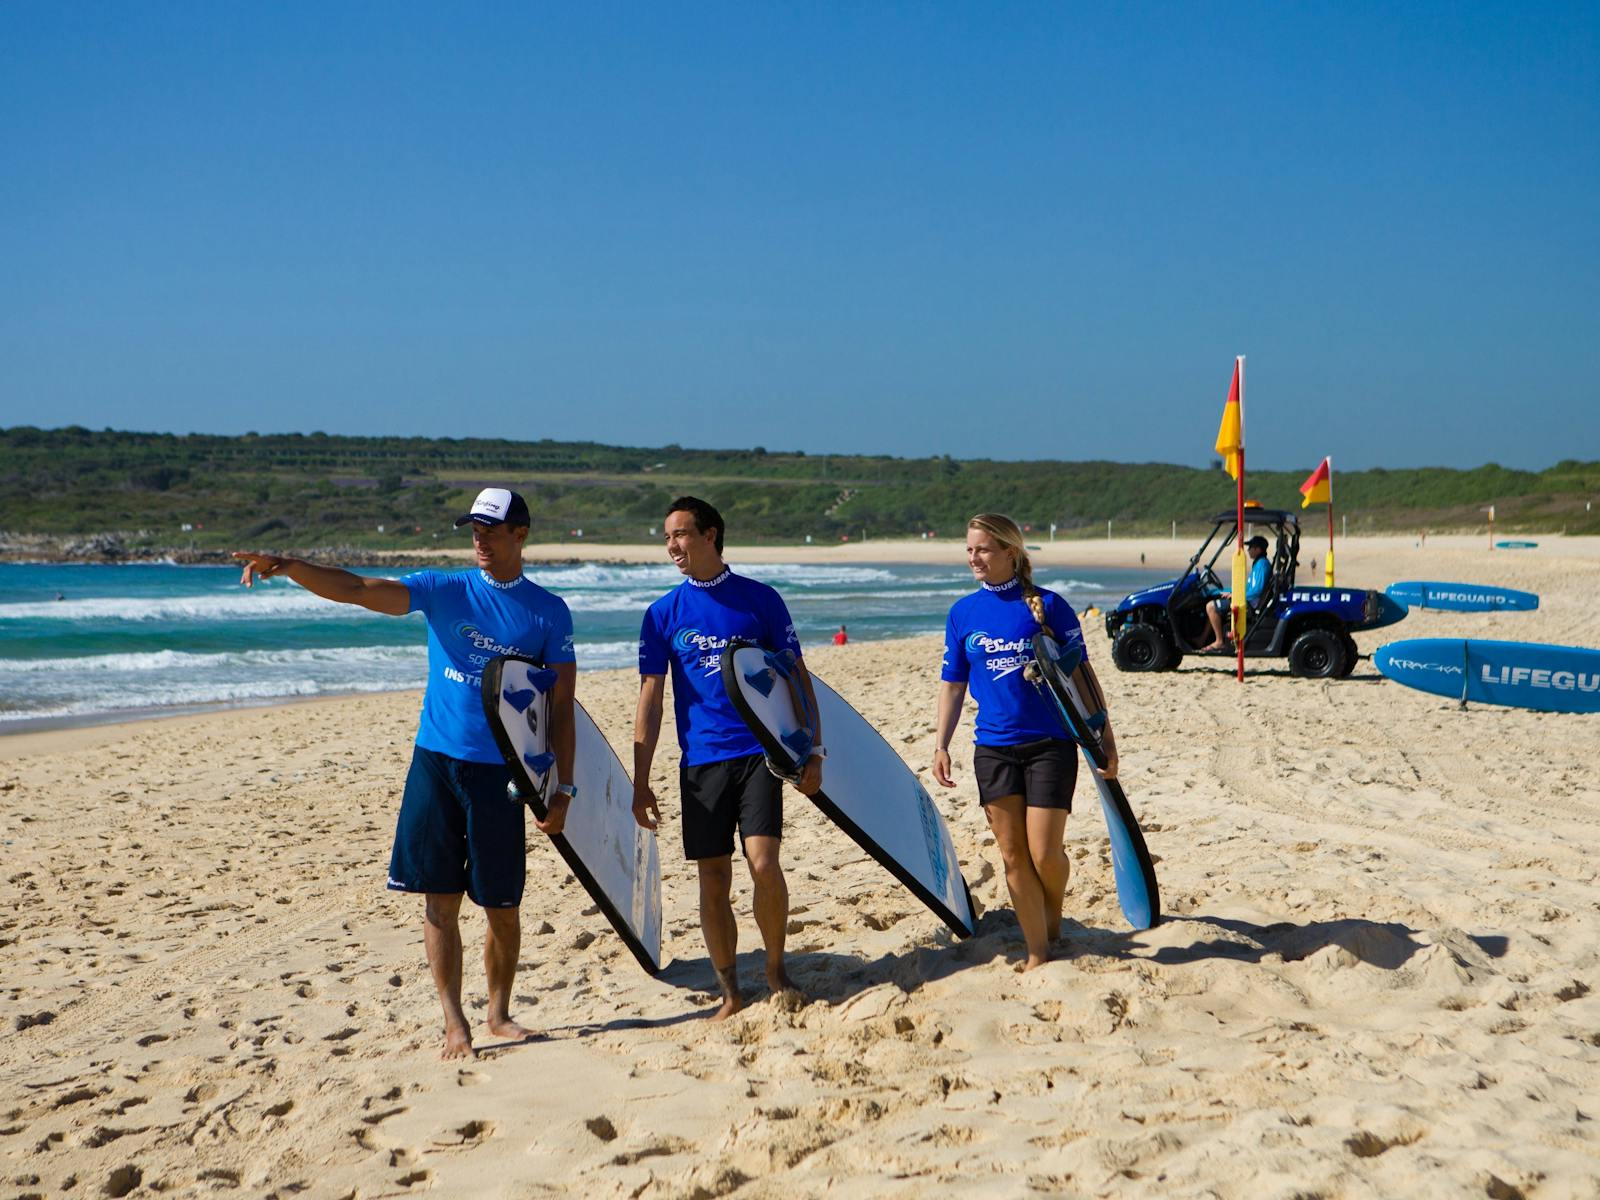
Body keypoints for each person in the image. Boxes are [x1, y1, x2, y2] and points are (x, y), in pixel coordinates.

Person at [232, 488, 577, 1060]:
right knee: (438, 900)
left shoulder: (547, 612)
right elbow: (359, 589)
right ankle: (454, 1022)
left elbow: (562, 707)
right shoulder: (445, 590)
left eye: (491, 529)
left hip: (502, 772)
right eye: (474, 528)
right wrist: (291, 567)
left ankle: (498, 1012)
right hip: (436, 763)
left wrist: (561, 789)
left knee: (502, 905)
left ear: (521, 534)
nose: (480, 538)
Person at [632, 496, 823, 1020]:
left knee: (764, 863)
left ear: (710, 534)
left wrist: (814, 748)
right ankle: (729, 989)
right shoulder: (662, 615)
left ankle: (776, 968)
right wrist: (640, 779)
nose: (673, 546)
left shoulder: (760, 600)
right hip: (701, 762)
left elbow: (796, 677)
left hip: (759, 754)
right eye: (667, 537)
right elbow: (650, 699)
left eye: (682, 535)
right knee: (713, 878)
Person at [932, 513, 1119, 971]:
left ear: (1009, 553)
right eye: (969, 550)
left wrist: (1105, 737)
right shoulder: (963, 613)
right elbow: (953, 684)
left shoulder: (1051, 606)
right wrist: (941, 744)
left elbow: (1081, 672)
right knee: (1012, 853)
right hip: (993, 748)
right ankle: (1038, 950)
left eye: (982, 549)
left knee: (1044, 852)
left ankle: (1051, 920)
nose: (973, 558)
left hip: (1051, 744)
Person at [1198, 534, 1270, 653]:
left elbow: (1257, 590)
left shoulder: (1262, 564)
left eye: (1250, 547)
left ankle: (1219, 641)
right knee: (1214, 599)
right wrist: (1232, 592)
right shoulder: (1258, 563)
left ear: (1258, 549)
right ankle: (1202, 639)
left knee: (1210, 606)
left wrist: (1237, 596)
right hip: (1247, 599)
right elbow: (1249, 587)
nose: (1248, 550)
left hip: (1249, 604)